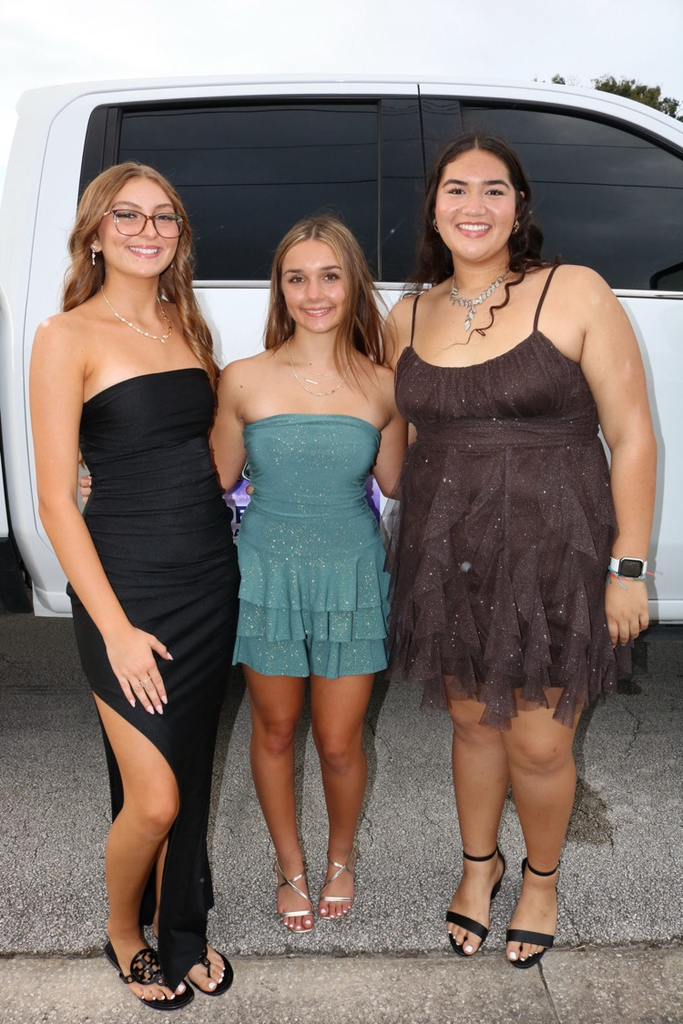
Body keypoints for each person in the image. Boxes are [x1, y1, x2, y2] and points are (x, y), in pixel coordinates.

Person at [385, 133, 656, 968]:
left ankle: (539, 879)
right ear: (433, 207)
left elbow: (633, 434)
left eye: (493, 190)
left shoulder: (572, 291)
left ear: (519, 207)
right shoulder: (404, 311)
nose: (474, 205)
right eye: (456, 189)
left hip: (554, 552)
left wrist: (629, 566)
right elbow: (392, 449)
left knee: (539, 740)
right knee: (470, 722)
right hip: (444, 552)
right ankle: (479, 867)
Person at [29, 163, 239, 1009]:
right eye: (128, 215)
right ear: (95, 230)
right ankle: (124, 928)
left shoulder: (186, 326)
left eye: (164, 218)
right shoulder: (64, 335)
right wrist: (113, 627)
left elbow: (210, 457)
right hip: (123, 586)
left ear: (179, 235)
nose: (147, 230)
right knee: (152, 798)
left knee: (186, 763)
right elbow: (53, 498)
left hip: (205, 576)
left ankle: (181, 924)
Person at [210, 215, 406, 932]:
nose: (313, 292)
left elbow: (403, 482)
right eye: (297, 277)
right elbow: (209, 482)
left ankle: (341, 857)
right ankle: (288, 862)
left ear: (352, 283)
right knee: (273, 729)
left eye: (329, 275)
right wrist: (102, 482)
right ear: (279, 288)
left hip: (352, 575)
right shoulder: (242, 379)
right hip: (264, 574)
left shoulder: (385, 386)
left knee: (337, 740)